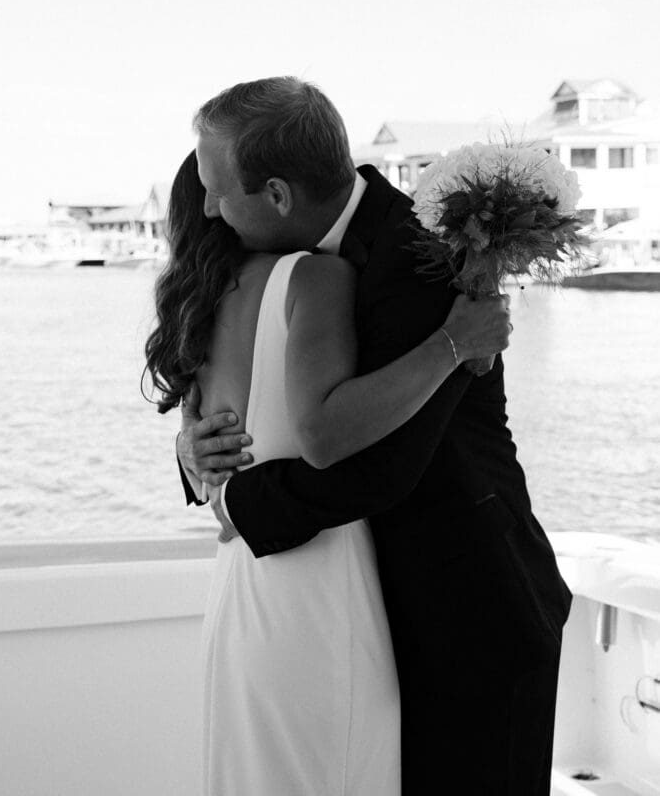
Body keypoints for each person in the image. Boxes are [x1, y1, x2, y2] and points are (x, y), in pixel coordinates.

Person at [174, 77, 572, 795]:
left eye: (216, 191)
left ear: (277, 195)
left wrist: (235, 503)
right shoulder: (291, 267)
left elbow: (375, 470)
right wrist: (192, 452)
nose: (207, 208)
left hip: (469, 611)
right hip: (380, 611)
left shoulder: (421, 258)